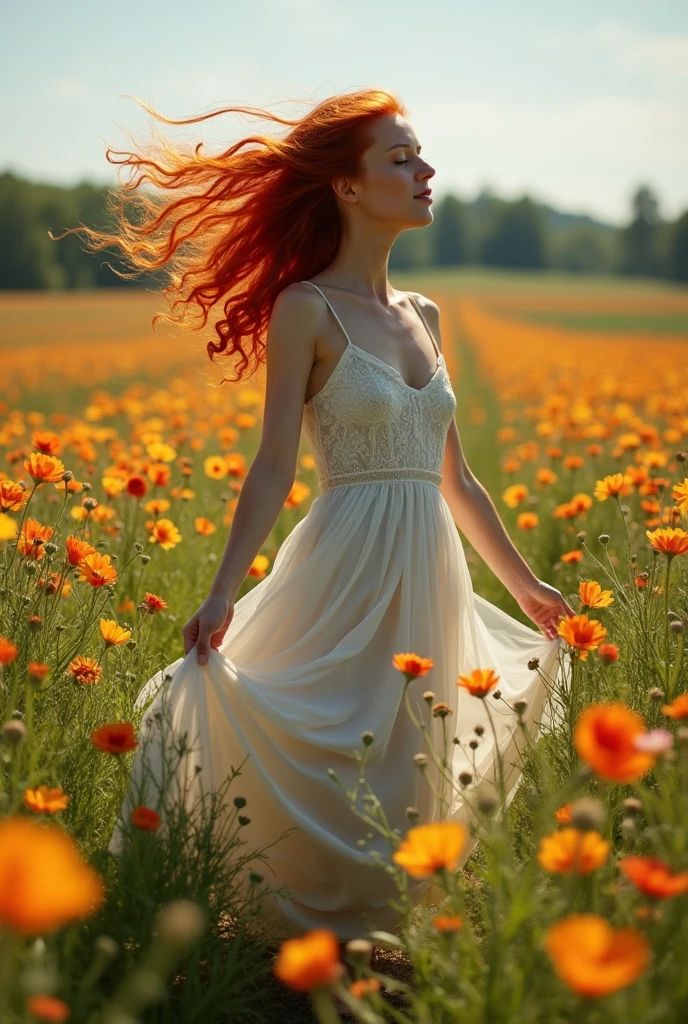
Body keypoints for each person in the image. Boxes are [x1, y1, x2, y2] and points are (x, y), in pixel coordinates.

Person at [69, 87, 573, 967]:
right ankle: (298, 929)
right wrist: (224, 586)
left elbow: (457, 478)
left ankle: (385, 935)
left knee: (414, 744)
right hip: (346, 556)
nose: (425, 172)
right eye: (401, 158)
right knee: (327, 731)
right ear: (346, 187)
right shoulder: (306, 307)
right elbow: (273, 466)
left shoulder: (427, 315)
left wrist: (527, 584)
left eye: (420, 156)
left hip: (430, 560)